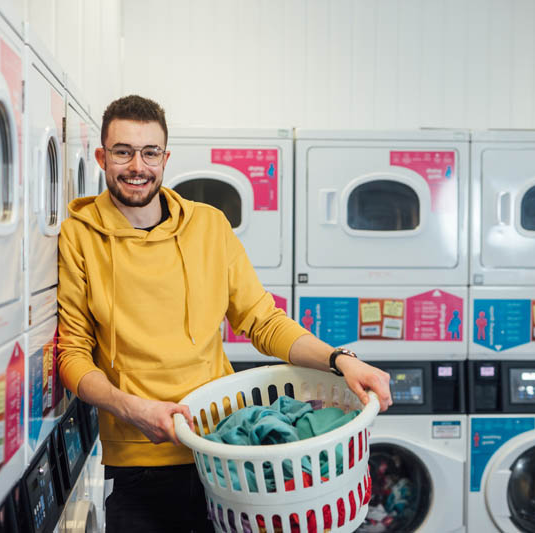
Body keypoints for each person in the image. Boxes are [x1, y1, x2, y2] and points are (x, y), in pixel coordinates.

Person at [57, 94, 393, 533]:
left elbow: (262, 320)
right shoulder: (80, 236)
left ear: (165, 157)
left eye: (149, 152)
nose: (137, 165)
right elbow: (73, 354)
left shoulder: (208, 226)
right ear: (102, 156)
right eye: (123, 152)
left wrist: (340, 359)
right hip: (141, 458)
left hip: (224, 448)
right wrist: (132, 408)